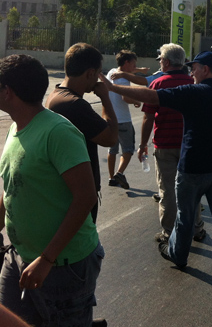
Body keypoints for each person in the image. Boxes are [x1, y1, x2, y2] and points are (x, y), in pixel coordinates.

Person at [99, 51, 212, 298]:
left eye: (194, 68)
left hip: (193, 169)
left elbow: (151, 95)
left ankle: (178, 255)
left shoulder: (192, 93)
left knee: (185, 217)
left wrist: (113, 87)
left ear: (205, 69)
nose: (191, 72)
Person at [0, 54, 103, 326]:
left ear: (8, 92)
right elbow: (13, 186)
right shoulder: (17, 127)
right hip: (19, 257)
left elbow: (85, 198)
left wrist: (46, 259)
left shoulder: (57, 132)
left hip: (63, 266)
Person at [139, 44, 206, 243]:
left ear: (167, 62)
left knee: (168, 190)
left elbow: (148, 118)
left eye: (160, 60)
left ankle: (169, 232)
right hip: (191, 146)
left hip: (165, 145)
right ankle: (196, 228)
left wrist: (143, 144)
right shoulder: (195, 83)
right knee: (192, 189)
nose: (159, 63)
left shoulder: (158, 84)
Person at [45, 42, 119, 224]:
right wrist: (105, 98)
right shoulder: (75, 105)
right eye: (98, 74)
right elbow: (110, 138)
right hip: (76, 197)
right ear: (90, 73)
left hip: (66, 192)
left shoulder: (56, 94)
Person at [106, 50, 142, 189]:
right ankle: (119, 173)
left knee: (112, 150)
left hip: (110, 120)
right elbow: (125, 97)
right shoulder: (124, 79)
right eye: (133, 64)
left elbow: (130, 71)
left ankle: (111, 178)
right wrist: (136, 101)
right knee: (128, 150)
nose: (134, 67)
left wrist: (140, 70)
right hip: (123, 120)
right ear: (126, 63)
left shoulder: (111, 72)